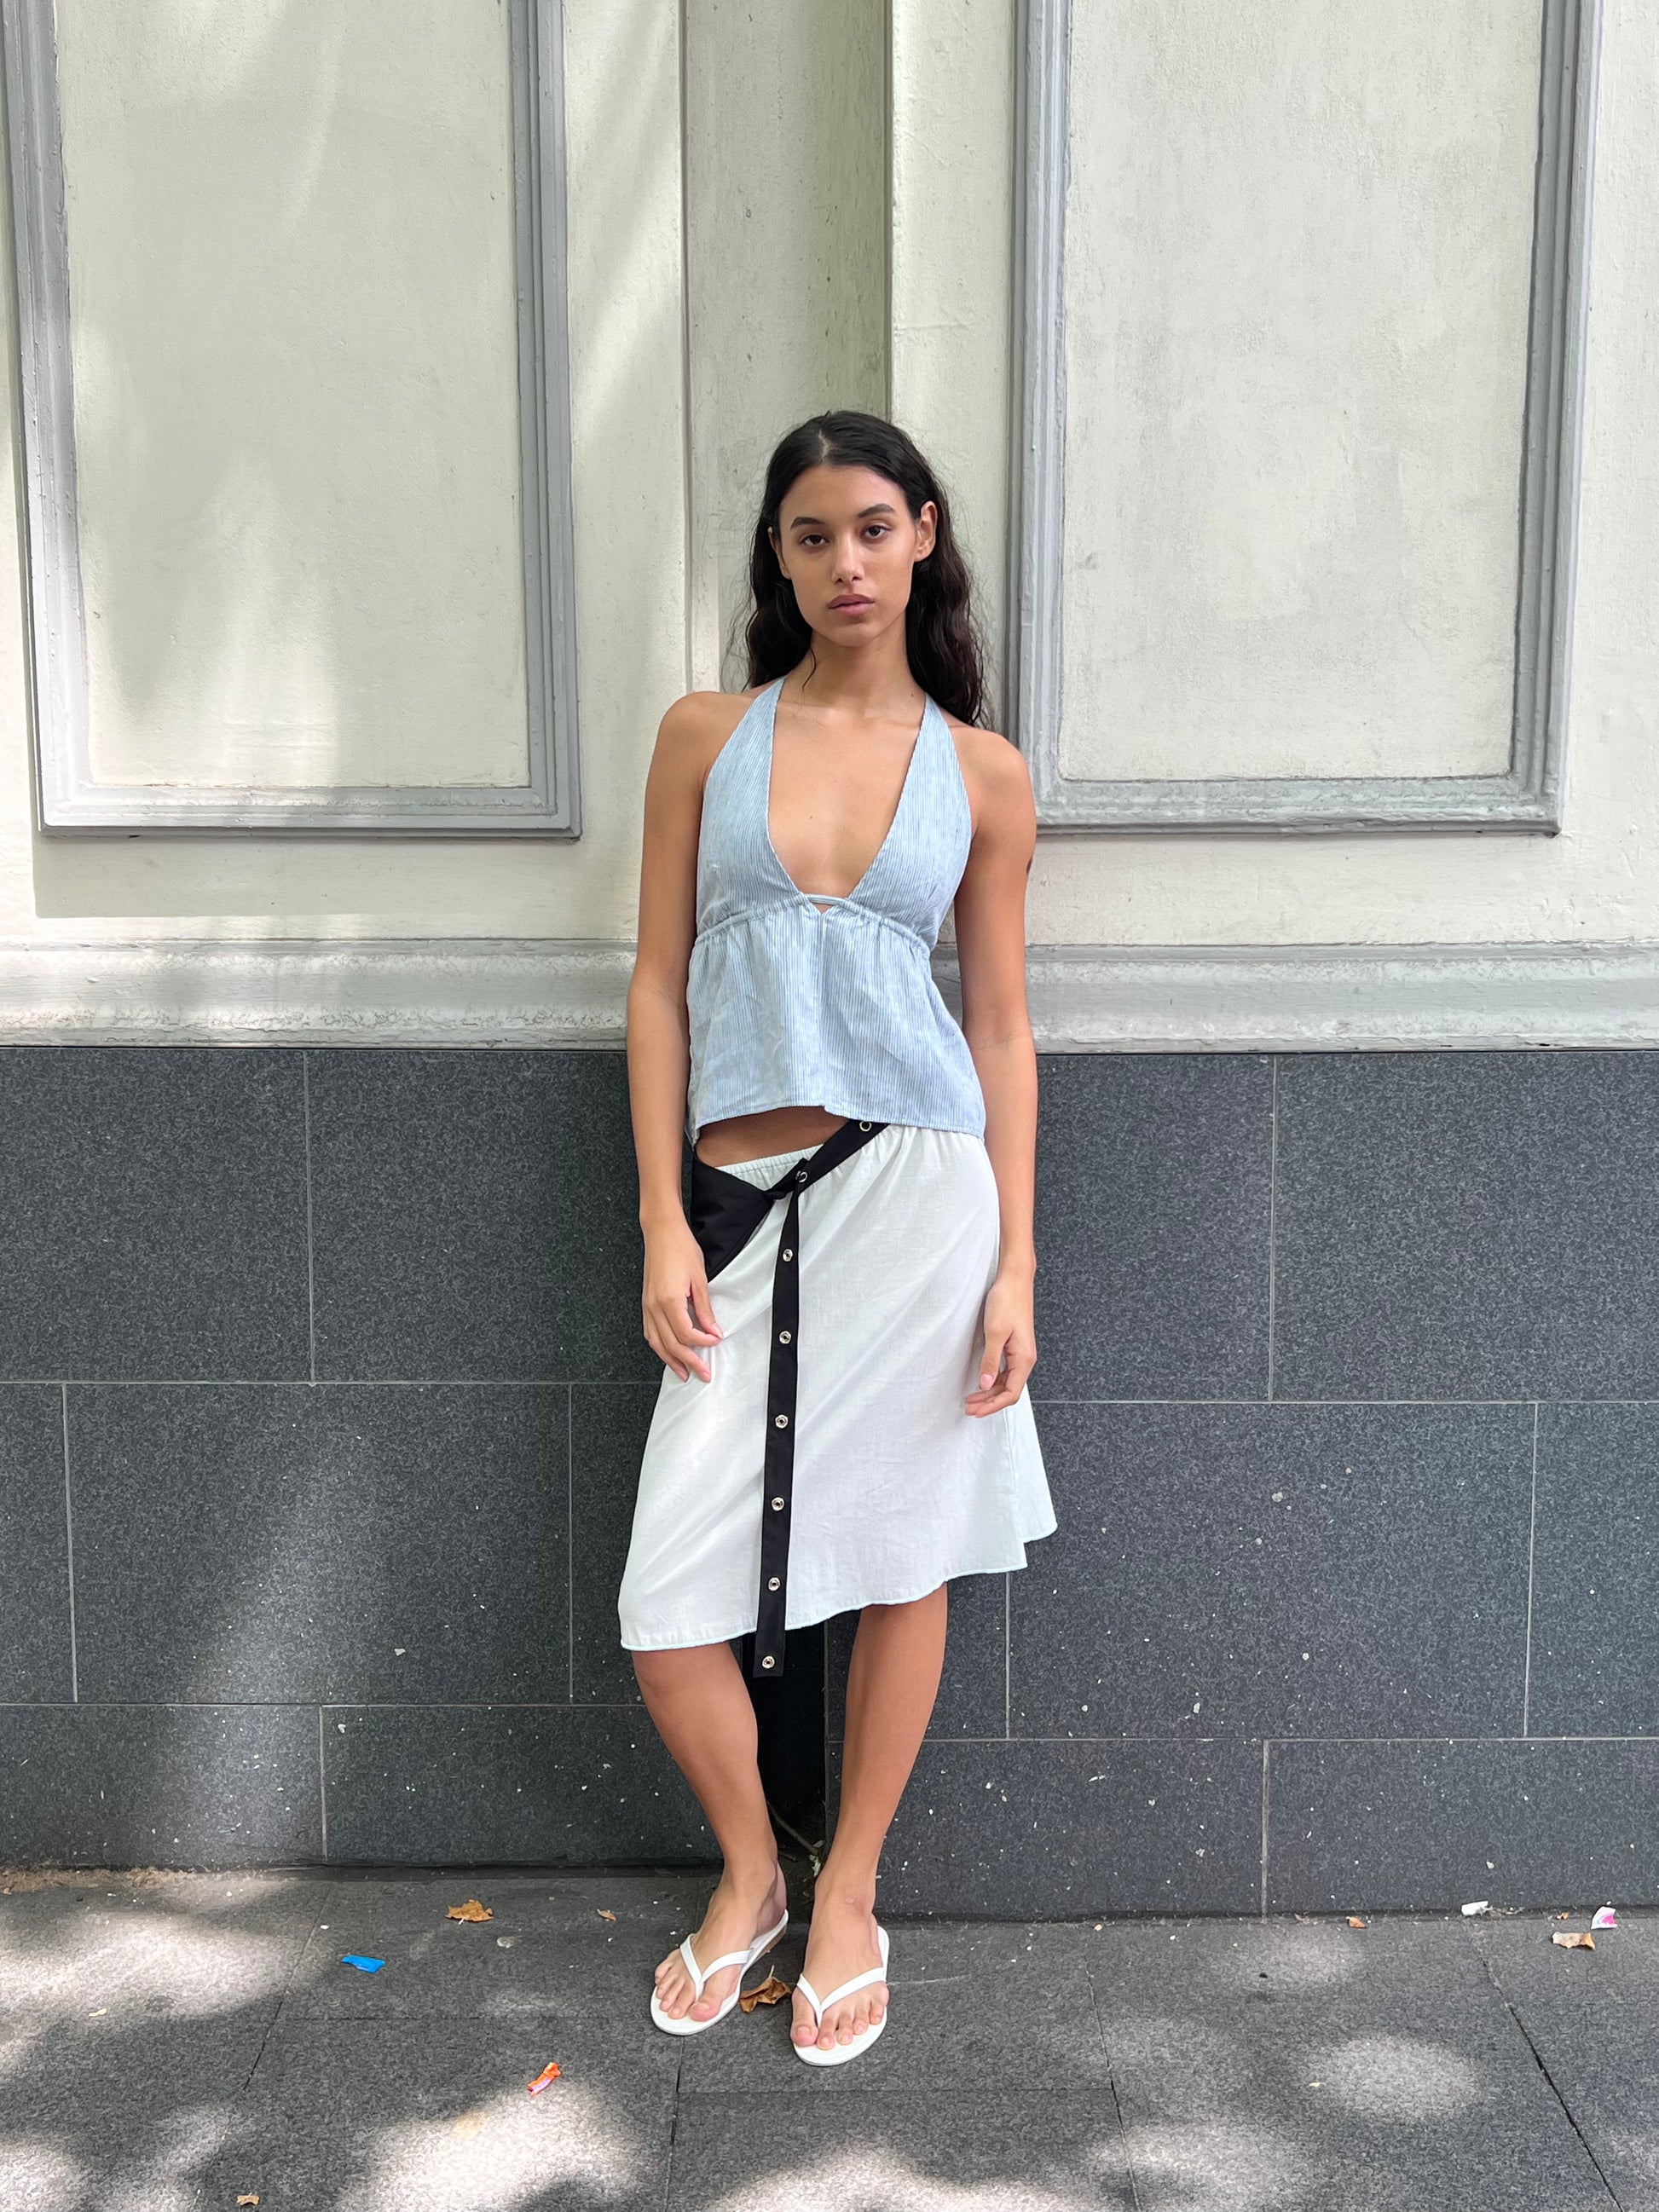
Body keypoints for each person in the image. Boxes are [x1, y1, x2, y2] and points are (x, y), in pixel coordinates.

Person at [621, 407, 1055, 2065]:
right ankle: (752, 1873)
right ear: (779, 559)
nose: (844, 560)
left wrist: (1015, 1258)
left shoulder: (980, 773)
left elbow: (1000, 1027)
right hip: (733, 1203)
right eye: (810, 535)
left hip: (917, 1194)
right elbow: (656, 984)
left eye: (872, 526)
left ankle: (850, 1882)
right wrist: (662, 1212)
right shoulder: (700, 736)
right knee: (667, 1602)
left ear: (923, 535)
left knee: (900, 1551)